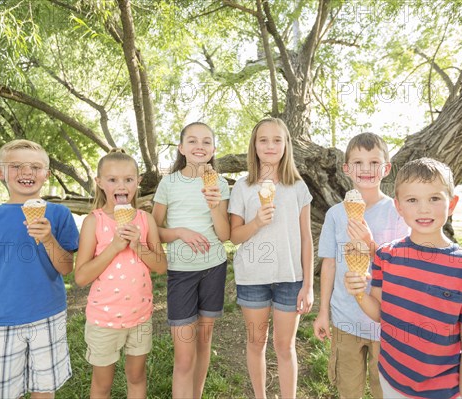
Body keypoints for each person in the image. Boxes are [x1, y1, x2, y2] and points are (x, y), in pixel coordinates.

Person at [345, 157, 462, 399]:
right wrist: (359, 293)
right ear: (399, 206)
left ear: (452, 203)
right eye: (412, 200)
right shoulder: (386, 256)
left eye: (434, 198)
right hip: (389, 378)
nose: (423, 209)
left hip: (441, 392)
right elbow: (380, 313)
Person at [0, 139, 79, 399]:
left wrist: (47, 239)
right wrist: (5, 278)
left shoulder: (58, 214)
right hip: (2, 319)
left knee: (44, 388)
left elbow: (67, 268)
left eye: (35, 166)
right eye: (16, 166)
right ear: (0, 172)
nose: (26, 172)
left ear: (46, 174)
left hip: (49, 315)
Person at [313, 133, 409, 399]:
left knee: (385, 391)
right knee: (348, 389)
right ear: (346, 169)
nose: (366, 169)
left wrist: (371, 244)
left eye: (374, 162)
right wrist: (323, 312)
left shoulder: (398, 212)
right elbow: (329, 264)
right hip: (345, 319)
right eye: (357, 162)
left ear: (386, 168)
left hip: (386, 322)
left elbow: (403, 267)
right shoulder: (335, 214)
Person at [228, 117, 313, 399]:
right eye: (263, 140)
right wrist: (256, 223)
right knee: (256, 343)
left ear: (286, 145)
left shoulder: (298, 187)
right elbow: (235, 236)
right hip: (253, 279)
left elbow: (306, 238)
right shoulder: (243, 186)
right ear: (254, 145)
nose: (270, 145)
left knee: (285, 346)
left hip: (290, 278)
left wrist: (308, 285)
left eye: (277, 140)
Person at [75, 149, 167, 399]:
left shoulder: (145, 219)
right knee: (102, 384)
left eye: (128, 179)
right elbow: (81, 277)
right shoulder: (93, 222)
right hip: (104, 320)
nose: (121, 185)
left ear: (137, 182)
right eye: (113, 179)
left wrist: (139, 247)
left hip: (140, 317)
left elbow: (161, 266)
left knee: (136, 378)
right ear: (100, 183)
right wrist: (114, 247)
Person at [151, 122, 230, 399]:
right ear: (182, 148)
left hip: (214, 268)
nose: (200, 146)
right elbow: (154, 231)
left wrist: (215, 206)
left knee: (203, 342)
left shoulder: (219, 183)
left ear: (213, 149)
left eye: (207, 141)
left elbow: (224, 234)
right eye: (193, 141)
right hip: (181, 273)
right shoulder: (169, 183)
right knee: (184, 355)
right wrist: (179, 232)